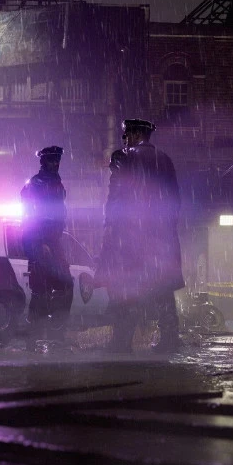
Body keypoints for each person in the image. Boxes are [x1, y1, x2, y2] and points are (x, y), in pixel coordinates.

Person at [96, 119, 184, 353]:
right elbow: (175, 201)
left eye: (126, 135)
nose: (124, 140)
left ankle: (122, 342)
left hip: (132, 237)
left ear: (134, 135)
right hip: (162, 239)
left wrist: (110, 227)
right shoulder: (165, 159)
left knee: (128, 288)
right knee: (163, 289)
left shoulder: (123, 156)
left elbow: (116, 197)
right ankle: (170, 340)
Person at [20, 145, 72, 350]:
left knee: (63, 286)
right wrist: (40, 242)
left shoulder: (55, 183)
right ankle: (33, 339)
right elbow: (31, 217)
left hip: (51, 241)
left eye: (57, 160)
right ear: (44, 162)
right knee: (41, 291)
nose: (56, 163)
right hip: (39, 242)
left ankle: (55, 336)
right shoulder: (36, 184)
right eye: (52, 160)